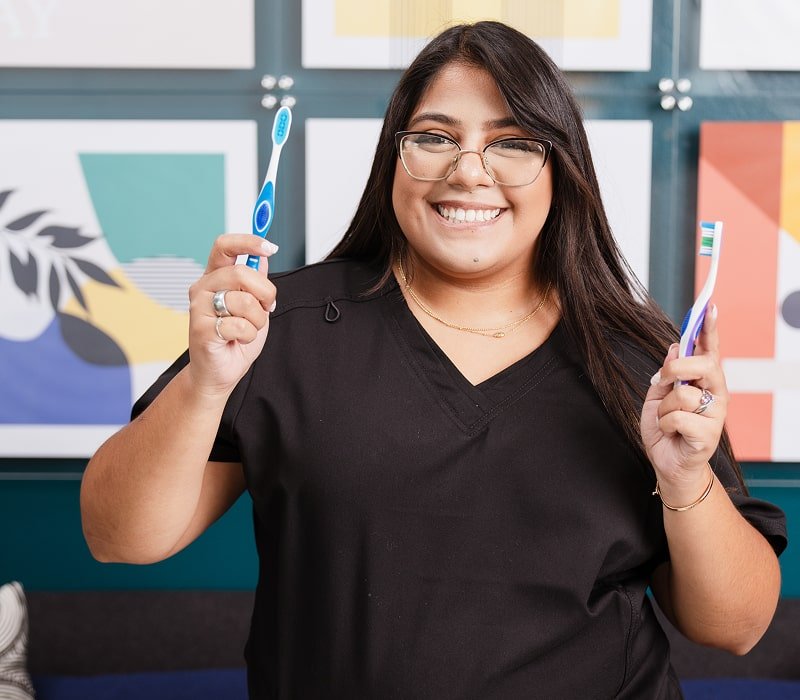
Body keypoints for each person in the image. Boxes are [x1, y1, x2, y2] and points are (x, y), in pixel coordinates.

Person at [80, 21, 786, 699]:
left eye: (512, 143)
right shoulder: (274, 328)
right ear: (395, 158)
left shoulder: (640, 361)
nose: (467, 172)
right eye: (434, 138)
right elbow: (119, 538)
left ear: (561, 170)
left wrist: (685, 475)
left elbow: (735, 627)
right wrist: (206, 386)